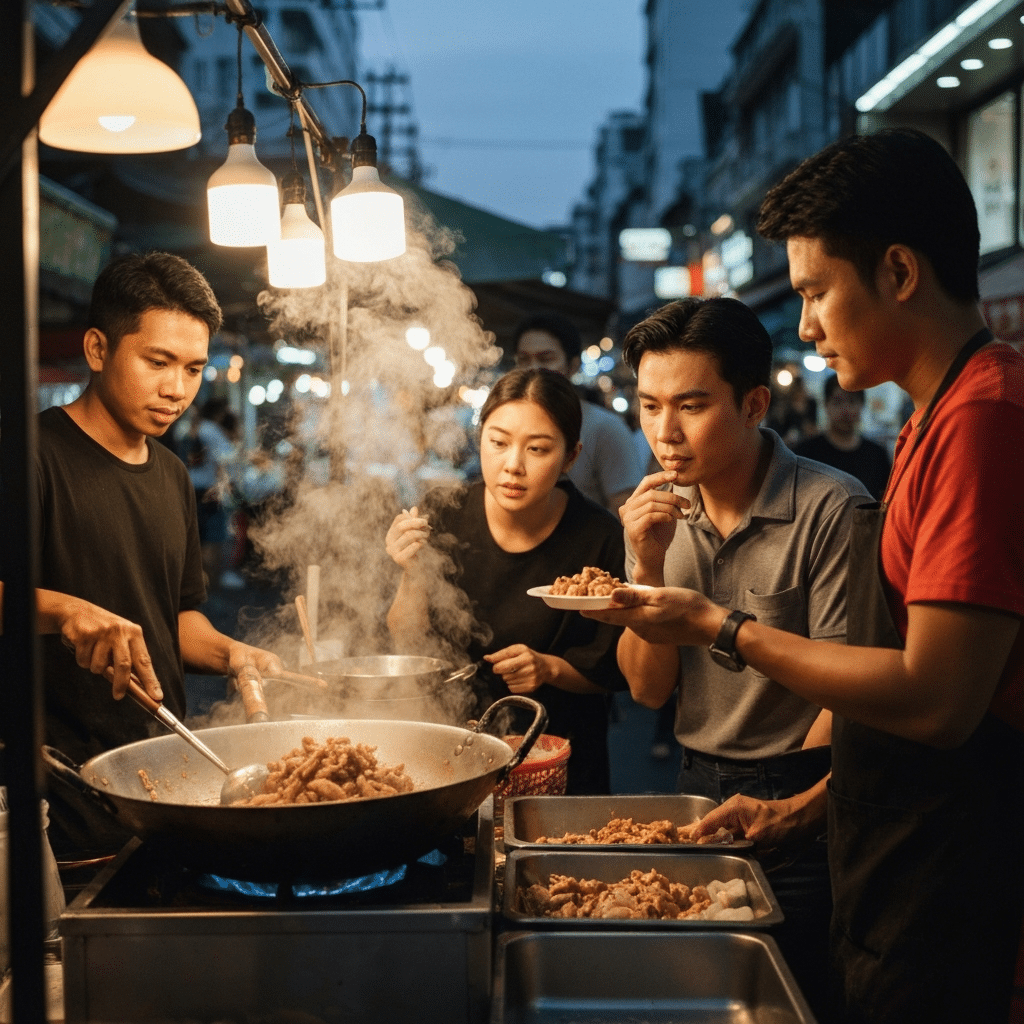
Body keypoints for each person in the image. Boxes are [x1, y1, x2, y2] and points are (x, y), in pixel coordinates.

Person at [585, 130, 1024, 1024]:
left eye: (819, 291)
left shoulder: (984, 420)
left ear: (899, 272)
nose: (810, 324)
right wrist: (805, 811)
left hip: (947, 860)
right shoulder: (934, 424)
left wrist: (722, 627)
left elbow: (936, 700)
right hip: (880, 830)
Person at [614, 295, 869, 1017]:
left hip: (802, 795)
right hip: (695, 789)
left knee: (790, 995)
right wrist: (647, 566)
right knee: (699, 991)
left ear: (755, 402)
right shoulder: (652, 512)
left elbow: (847, 692)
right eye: (650, 405)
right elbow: (647, 692)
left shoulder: (831, 508)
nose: (665, 433)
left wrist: (797, 804)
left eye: (691, 405)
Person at [6, 251, 284, 859]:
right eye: (157, 362)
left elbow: (175, 620)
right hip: (57, 810)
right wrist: (64, 609)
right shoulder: (31, 457)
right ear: (98, 349)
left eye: (191, 369)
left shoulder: (171, 476)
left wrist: (234, 653)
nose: (176, 389)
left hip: (164, 795)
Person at [385, 368, 627, 794]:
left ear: (571, 456)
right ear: (480, 440)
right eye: (498, 443)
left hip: (560, 764)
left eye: (537, 449)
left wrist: (548, 667)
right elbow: (407, 637)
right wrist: (410, 569)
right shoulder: (443, 511)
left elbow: (613, 671)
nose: (513, 465)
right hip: (454, 751)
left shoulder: (600, 538)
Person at [512, 313, 643, 514]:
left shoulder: (605, 428)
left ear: (573, 366)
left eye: (546, 359)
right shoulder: (509, 425)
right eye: (524, 360)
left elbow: (625, 510)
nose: (533, 369)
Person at [794, 373, 892, 500]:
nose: (845, 410)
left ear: (862, 405)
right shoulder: (805, 453)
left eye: (852, 401)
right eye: (837, 402)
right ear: (825, 405)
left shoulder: (877, 455)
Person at [182, 395, 241, 590]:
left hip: (189, 487)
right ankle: (211, 582)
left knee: (195, 537)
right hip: (208, 489)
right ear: (218, 412)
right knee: (212, 537)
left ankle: (197, 583)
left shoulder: (191, 429)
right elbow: (225, 460)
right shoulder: (212, 430)